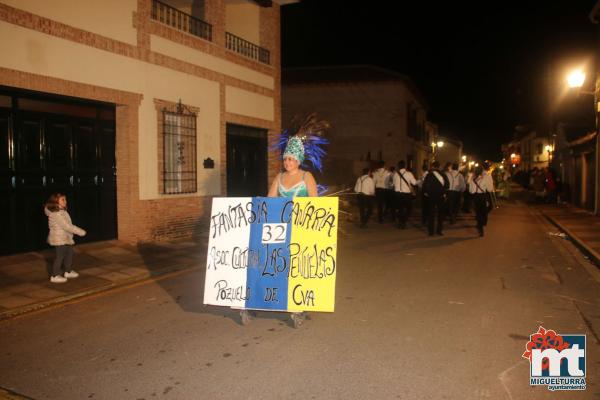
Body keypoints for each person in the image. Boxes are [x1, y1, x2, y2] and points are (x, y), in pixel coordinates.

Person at [44, 193, 86, 283]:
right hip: (59, 238)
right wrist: (80, 231)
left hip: (65, 237)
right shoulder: (56, 214)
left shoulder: (62, 211)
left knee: (69, 253)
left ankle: (68, 271)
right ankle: (54, 275)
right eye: (63, 200)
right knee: (60, 256)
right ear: (56, 201)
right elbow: (67, 226)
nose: (65, 201)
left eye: (65, 199)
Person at [422, 161, 449, 236]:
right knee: (440, 214)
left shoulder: (429, 175)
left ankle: (431, 232)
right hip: (440, 196)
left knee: (431, 214)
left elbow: (425, 186)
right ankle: (439, 230)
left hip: (431, 196)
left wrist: (426, 193)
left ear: (432, 167)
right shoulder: (443, 175)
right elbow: (447, 185)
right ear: (439, 167)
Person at [468, 165, 495, 237]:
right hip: (482, 196)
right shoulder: (486, 177)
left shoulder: (472, 177)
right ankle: (481, 225)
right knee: (483, 211)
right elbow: (490, 189)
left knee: (478, 212)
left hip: (475, 197)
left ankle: (480, 226)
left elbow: (470, 190)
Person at [393, 160, 417, 229]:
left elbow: (394, 184)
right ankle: (403, 221)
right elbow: (414, 183)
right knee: (409, 208)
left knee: (400, 208)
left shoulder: (395, 174)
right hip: (406, 194)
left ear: (398, 166)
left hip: (397, 194)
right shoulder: (409, 173)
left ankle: (401, 222)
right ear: (405, 166)